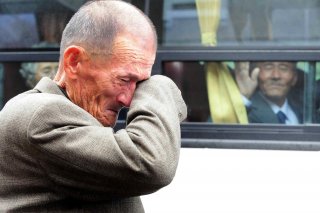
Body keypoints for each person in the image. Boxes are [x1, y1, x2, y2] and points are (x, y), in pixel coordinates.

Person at [0, 1, 187, 212]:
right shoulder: (42, 116)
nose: (128, 101)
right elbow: (151, 163)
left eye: (141, 83)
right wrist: (160, 84)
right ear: (74, 62)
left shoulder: (66, 114)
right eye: (125, 80)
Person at [235, 61, 302, 124]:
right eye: (268, 67)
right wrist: (245, 97)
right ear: (255, 73)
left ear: (294, 78)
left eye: (283, 68)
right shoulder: (247, 109)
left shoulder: (305, 109)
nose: (276, 76)